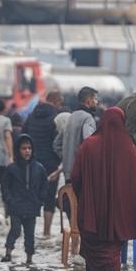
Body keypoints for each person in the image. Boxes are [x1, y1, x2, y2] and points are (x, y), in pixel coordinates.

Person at [70, 108, 136, 271]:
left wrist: (84, 196)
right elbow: (133, 180)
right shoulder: (128, 147)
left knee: (92, 253)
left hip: (91, 210)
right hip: (117, 212)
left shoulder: (88, 145)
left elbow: (75, 176)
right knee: (113, 253)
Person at [59, 86, 98, 245]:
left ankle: (74, 249)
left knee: (73, 213)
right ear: (89, 100)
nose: (97, 102)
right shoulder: (88, 118)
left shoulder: (70, 118)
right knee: (85, 214)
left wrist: (68, 157)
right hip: (83, 175)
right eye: (95, 99)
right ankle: (83, 250)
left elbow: (57, 143)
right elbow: (89, 142)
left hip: (68, 173)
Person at [0, 134, 47, 264]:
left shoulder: (39, 168)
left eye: (29, 148)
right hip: (16, 206)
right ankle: (8, 253)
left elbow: (44, 185)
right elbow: (5, 185)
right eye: (23, 148)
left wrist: (40, 200)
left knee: (30, 234)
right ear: (18, 150)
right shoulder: (12, 168)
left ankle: (29, 258)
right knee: (15, 229)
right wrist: (9, 199)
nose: (27, 151)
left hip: (32, 206)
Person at [23, 90, 63, 237]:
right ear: (57, 101)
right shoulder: (55, 119)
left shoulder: (32, 116)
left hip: (32, 162)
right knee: (49, 197)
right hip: (51, 163)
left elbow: (24, 134)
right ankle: (46, 232)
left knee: (31, 195)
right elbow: (57, 141)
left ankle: (29, 231)